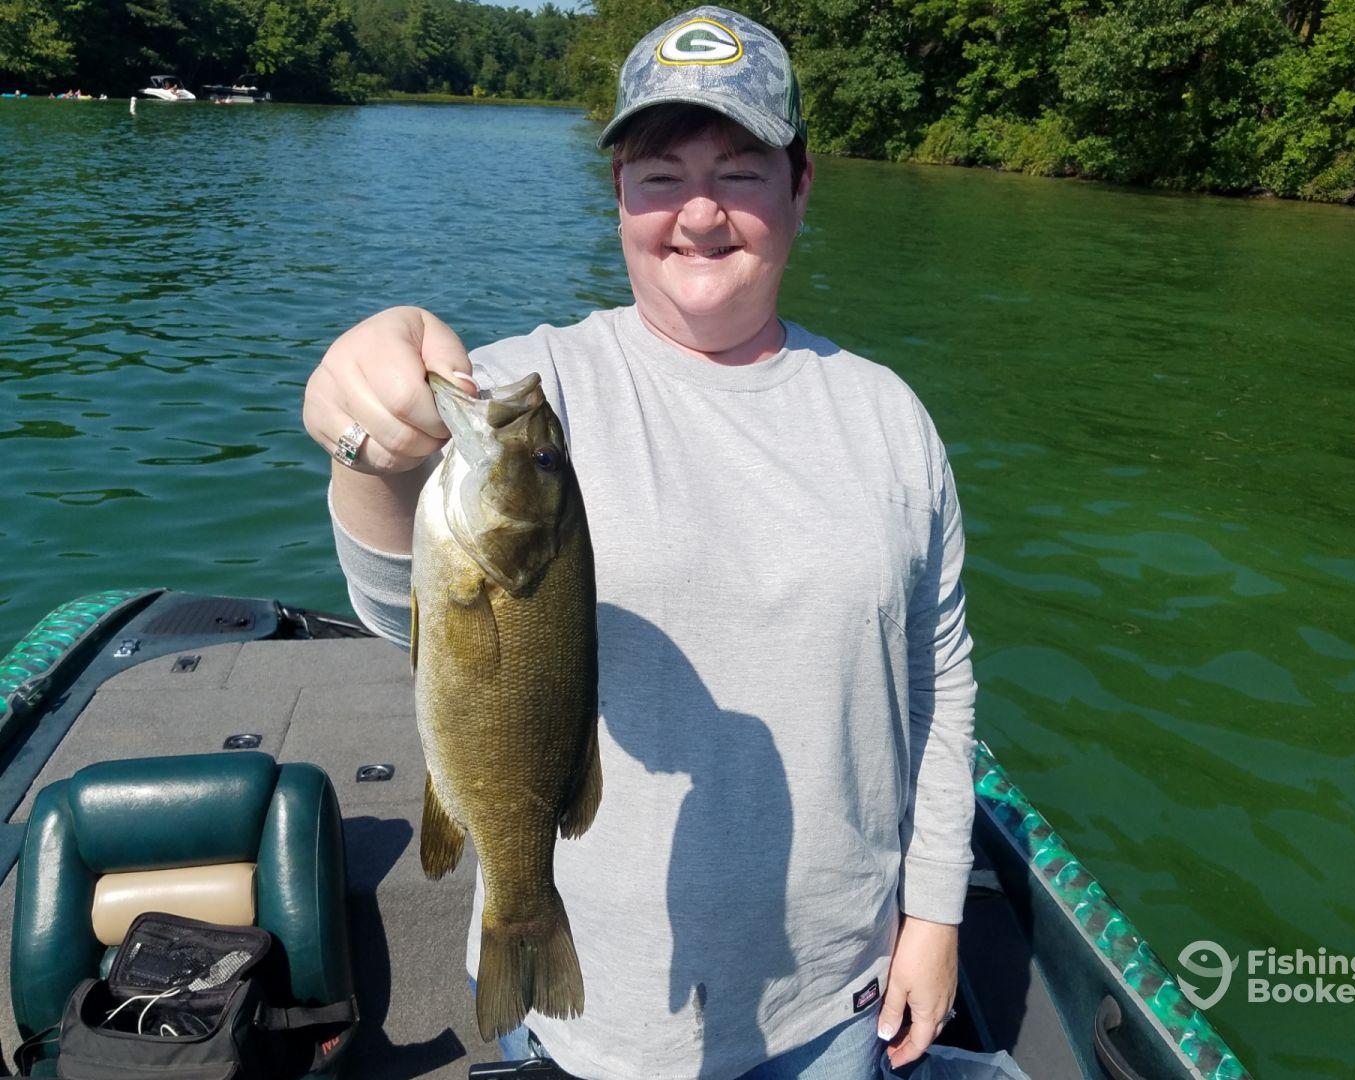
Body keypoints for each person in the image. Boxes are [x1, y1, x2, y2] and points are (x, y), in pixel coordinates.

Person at [303, 7, 976, 1079]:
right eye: (659, 174)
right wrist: (367, 444)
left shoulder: (890, 417)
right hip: (591, 1006)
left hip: (835, 991)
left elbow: (935, 686)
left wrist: (935, 915)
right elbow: (405, 608)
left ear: (801, 187)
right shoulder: (535, 395)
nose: (698, 215)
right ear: (617, 193)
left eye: (741, 172)